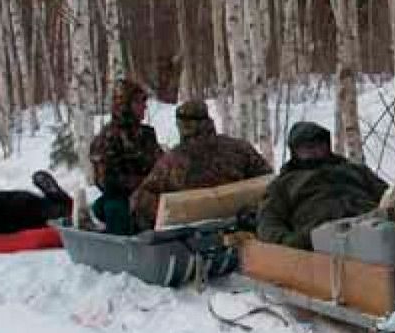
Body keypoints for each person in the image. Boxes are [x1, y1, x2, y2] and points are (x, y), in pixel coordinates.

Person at [129, 100, 273, 231]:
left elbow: (139, 201)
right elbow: (268, 182)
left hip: (190, 239)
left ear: (182, 126)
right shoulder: (240, 148)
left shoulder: (172, 161)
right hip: (240, 228)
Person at [256, 121, 389, 249]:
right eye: (308, 147)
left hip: (370, 219)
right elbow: (269, 221)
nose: (315, 151)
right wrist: (290, 242)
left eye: (320, 145)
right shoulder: (284, 183)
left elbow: (388, 195)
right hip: (324, 233)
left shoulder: (354, 169)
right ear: (295, 151)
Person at [89, 78, 162, 234]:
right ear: (125, 106)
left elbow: (160, 164)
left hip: (151, 194)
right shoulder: (106, 139)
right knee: (115, 208)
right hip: (123, 199)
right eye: (139, 101)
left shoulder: (147, 134)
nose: (145, 106)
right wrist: (143, 184)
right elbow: (106, 181)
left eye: (144, 101)